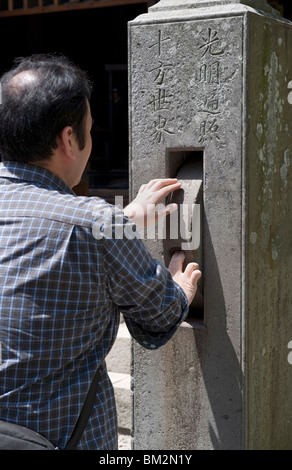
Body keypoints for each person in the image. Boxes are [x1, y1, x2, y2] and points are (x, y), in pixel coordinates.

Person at [0, 54, 201, 450]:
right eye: (89, 131)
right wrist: (179, 287)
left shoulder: (97, 224)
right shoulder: (95, 223)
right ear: (69, 139)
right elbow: (157, 318)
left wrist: (120, 221)